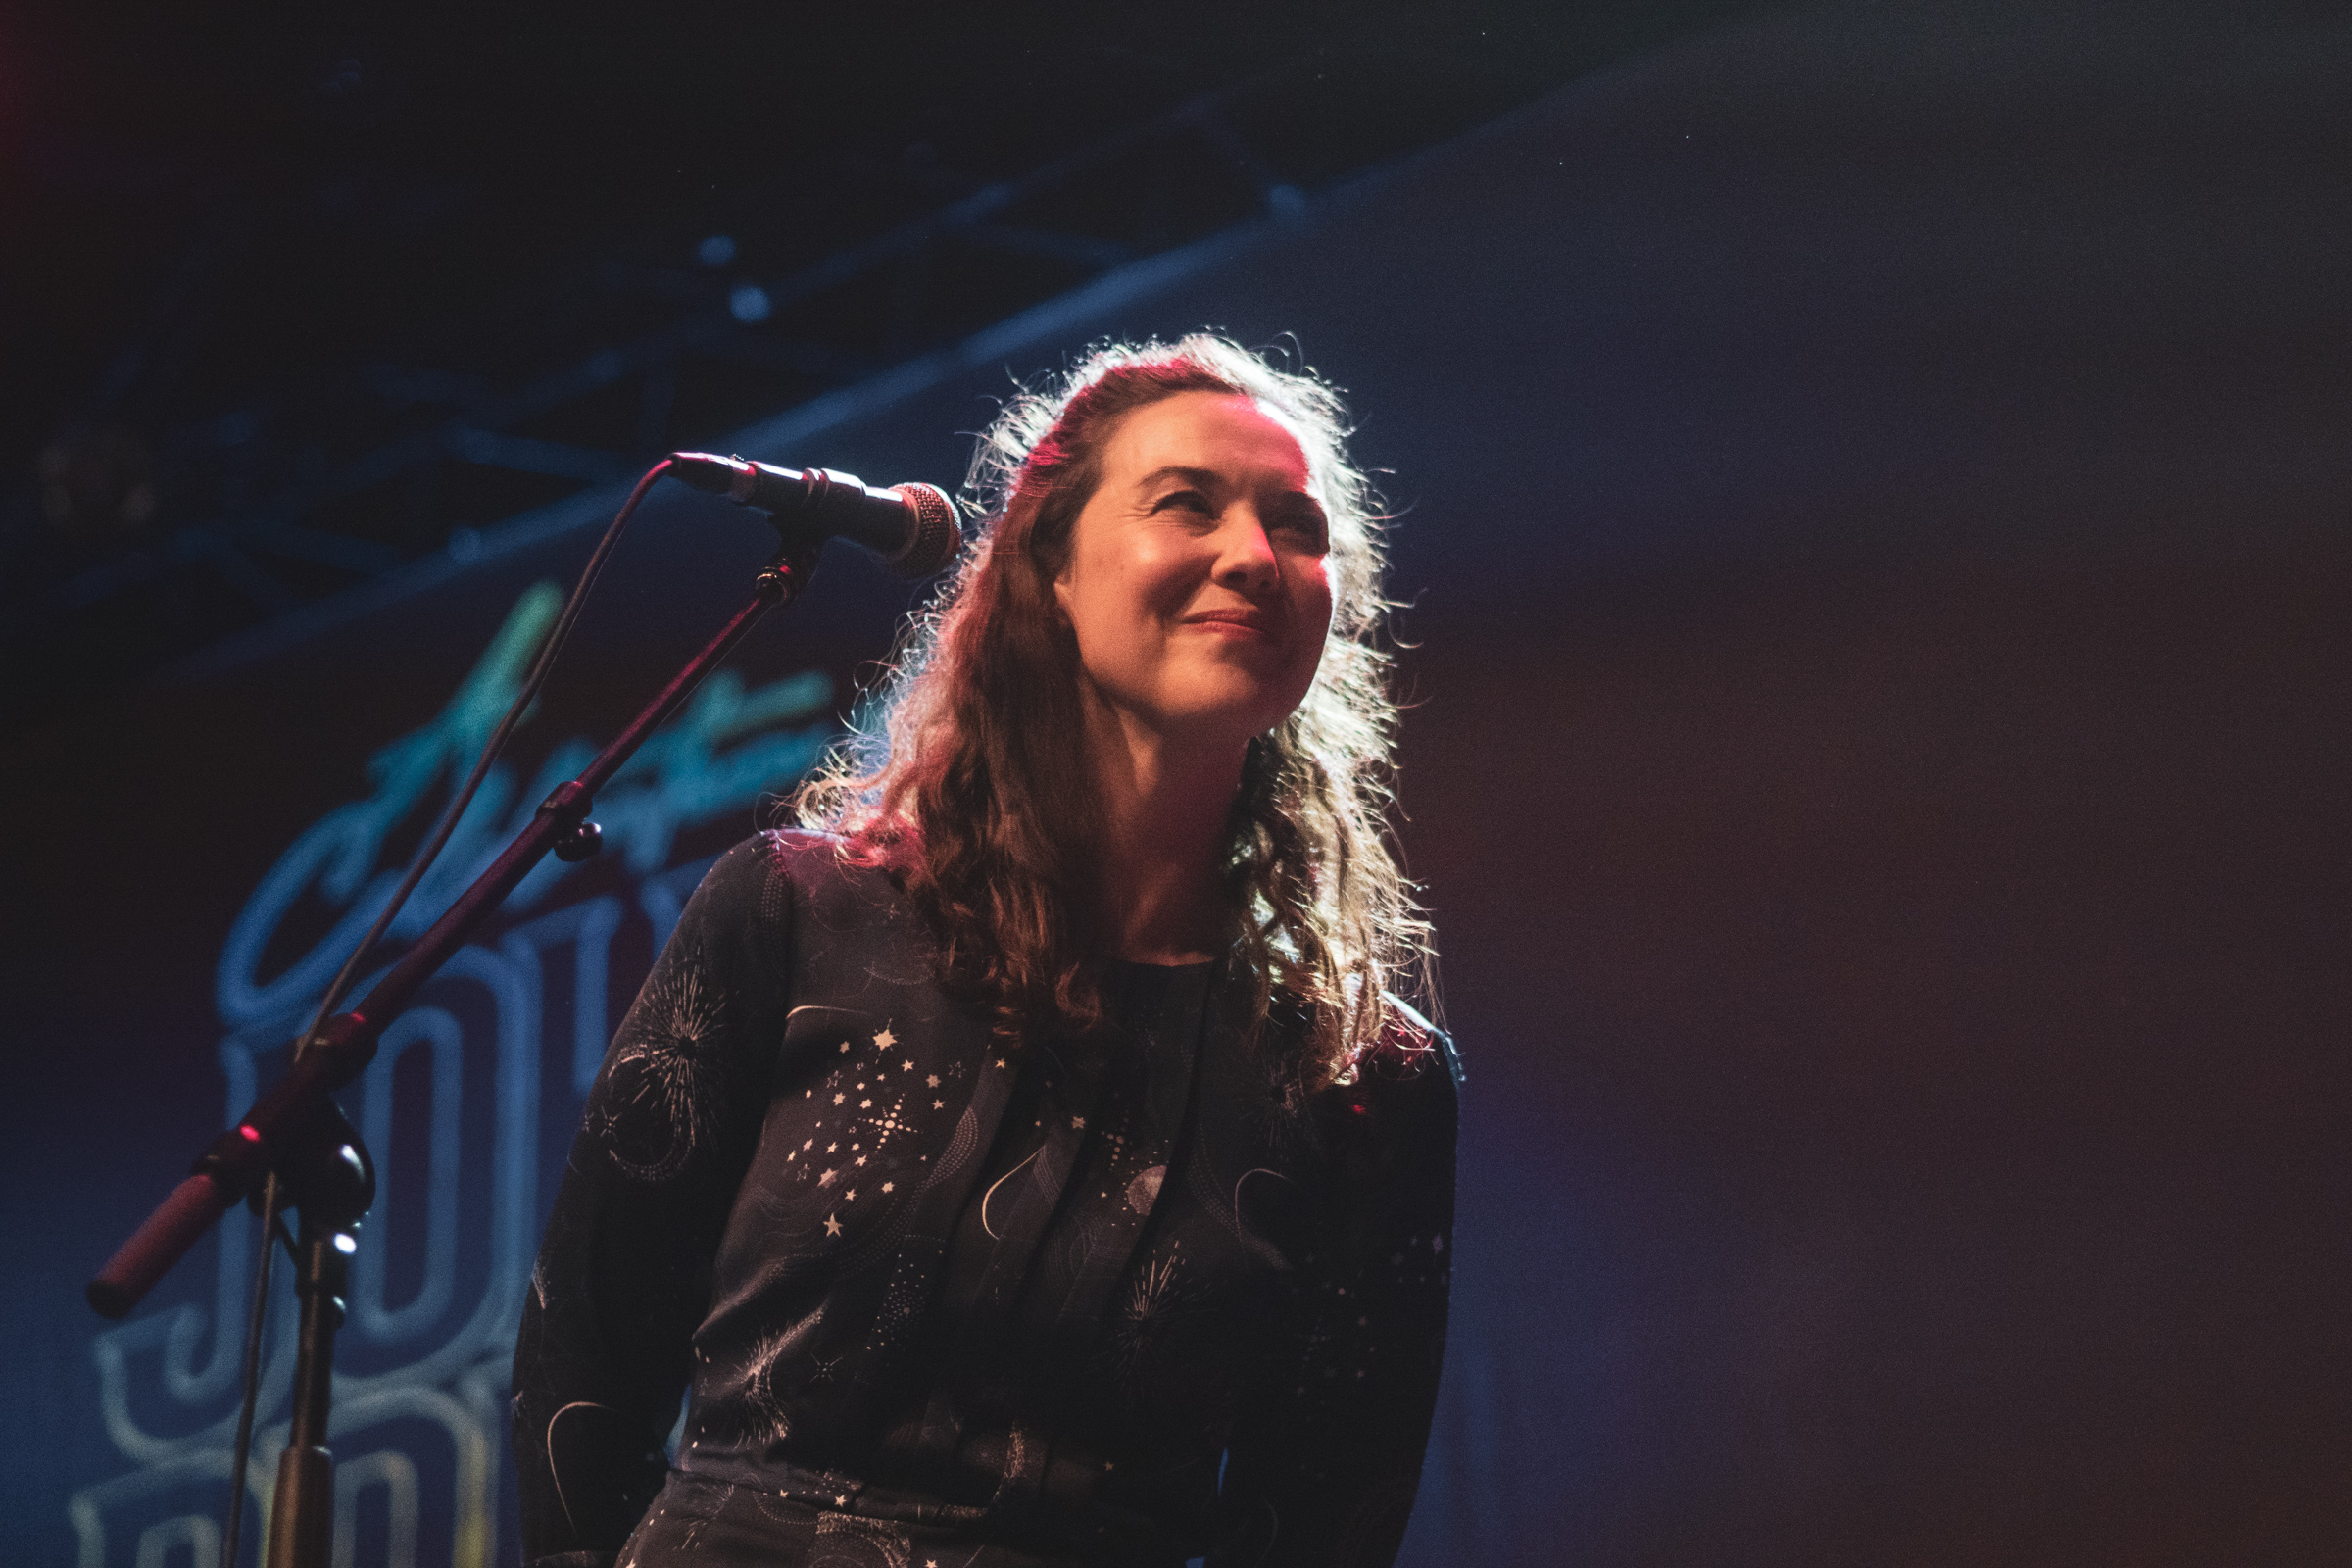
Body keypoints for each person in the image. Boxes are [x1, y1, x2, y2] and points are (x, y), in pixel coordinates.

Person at [513, 336, 1458, 1568]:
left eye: (1298, 526)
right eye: (1188, 504)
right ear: (1050, 568)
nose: (1253, 557)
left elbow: (1330, 1513)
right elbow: (589, 1353)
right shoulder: (794, 914)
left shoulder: (1362, 1070)